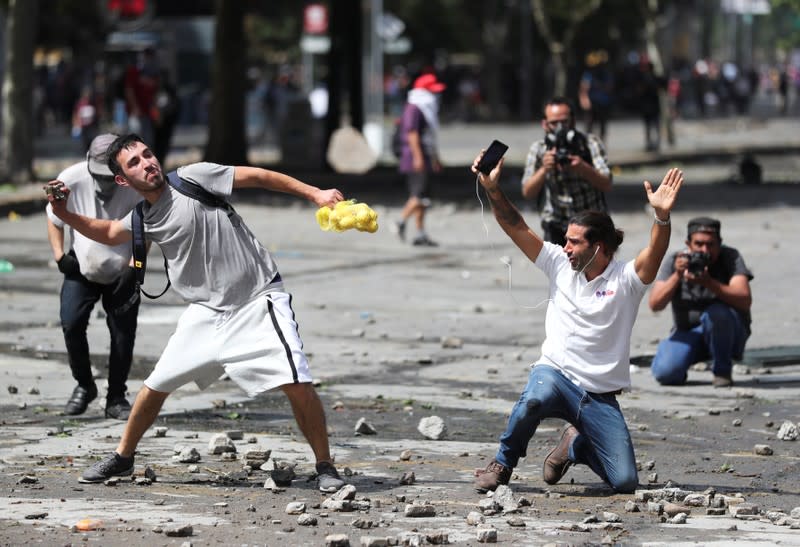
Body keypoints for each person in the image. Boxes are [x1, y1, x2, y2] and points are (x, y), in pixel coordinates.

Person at [46, 134, 347, 493]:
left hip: (256, 299)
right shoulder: (142, 217)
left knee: (297, 382)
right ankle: (123, 458)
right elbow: (109, 231)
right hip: (205, 312)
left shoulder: (194, 178)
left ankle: (325, 465)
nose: (147, 163)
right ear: (124, 180)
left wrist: (315, 194)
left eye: (147, 154)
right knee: (155, 386)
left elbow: (259, 177)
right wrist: (63, 213)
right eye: (135, 163)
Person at [470, 148, 683, 494]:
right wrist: (493, 188)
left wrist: (661, 218)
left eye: (573, 242)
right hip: (554, 375)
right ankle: (502, 463)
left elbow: (655, 253)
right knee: (534, 397)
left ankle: (574, 445)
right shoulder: (557, 263)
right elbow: (515, 225)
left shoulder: (626, 280)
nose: (565, 247)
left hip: (598, 396)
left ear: (598, 247)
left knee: (625, 482)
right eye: (565, 241)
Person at [45, 133, 142, 420]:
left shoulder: (137, 184)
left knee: (122, 333)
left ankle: (116, 396)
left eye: (111, 176)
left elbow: (145, 229)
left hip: (123, 269)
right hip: (82, 266)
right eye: (99, 175)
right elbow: (54, 218)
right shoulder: (70, 179)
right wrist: (60, 257)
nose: (105, 182)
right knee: (71, 323)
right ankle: (85, 386)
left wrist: (136, 266)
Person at [648, 217, 753, 388]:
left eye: (711, 244)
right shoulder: (677, 261)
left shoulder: (730, 257)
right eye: (699, 244)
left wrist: (709, 283)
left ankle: (722, 371)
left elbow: (744, 300)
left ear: (720, 243)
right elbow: (655, 305)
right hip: (689, 333)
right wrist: (677, 275)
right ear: (688, 244)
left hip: (728, 334)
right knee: (666, 374)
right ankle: (681, 356)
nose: (705, 250)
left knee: (717, 313)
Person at [520, 97, 613, 246]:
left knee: (595, 269)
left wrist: (583, 167)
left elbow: (607, 183)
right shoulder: (539, 149)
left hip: (592, 224)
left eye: (564, 122)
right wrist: (544, 169)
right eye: (554, 123)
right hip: (556, 226)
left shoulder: (590, 143)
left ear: (573, 121)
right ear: (544, 124)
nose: (560, 127)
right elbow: (527, 192)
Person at [394, 73, 446, 247]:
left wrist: (435, 158)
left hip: (424, 156)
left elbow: (430, 137)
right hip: (415, 158)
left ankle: (420, 233)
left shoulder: (424, 108)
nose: (435, 95)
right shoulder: (415, 108)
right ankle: (400, 221)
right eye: (432, 91)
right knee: (419, 195)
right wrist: (418, 158)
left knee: (424, 198)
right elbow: (412, 134)